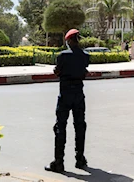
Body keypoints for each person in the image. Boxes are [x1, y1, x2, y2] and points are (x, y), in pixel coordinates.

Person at [45, 29, 90, 173]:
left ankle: (59, 161)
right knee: (80, 126)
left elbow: (58, 71)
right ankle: (80, 158)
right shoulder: (85, 56)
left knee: (60, 127)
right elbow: (84, 72)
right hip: (79, 93)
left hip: (65, 94)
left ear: (69, 41)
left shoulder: (62, 56)